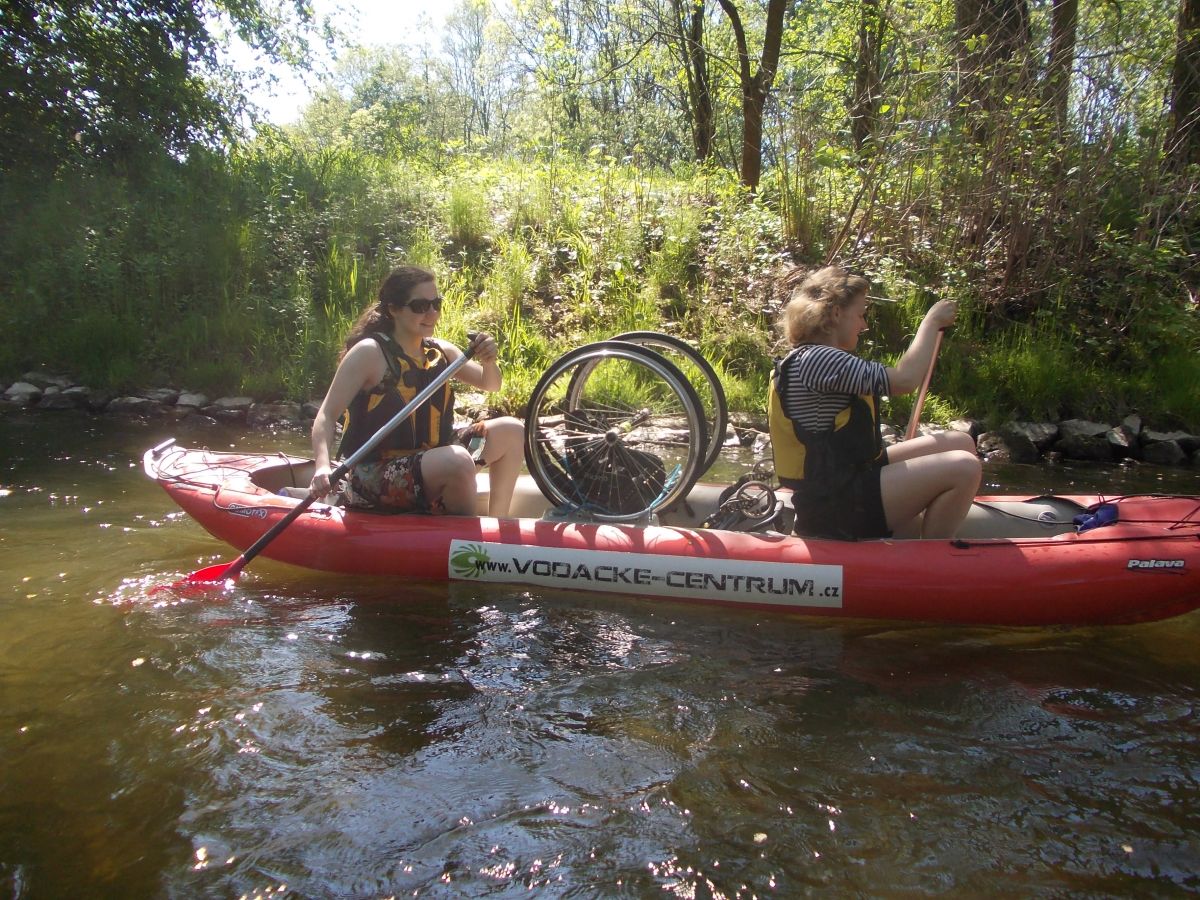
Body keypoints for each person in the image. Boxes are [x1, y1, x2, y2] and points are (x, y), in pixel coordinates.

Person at [768, 266, 982, 540]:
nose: (864, 325)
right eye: (860, 314)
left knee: (960, 442)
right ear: (835, 314)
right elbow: (905, 380)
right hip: (837, 503)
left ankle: (922, 528)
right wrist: (930, 322)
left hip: (848, 477)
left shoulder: (813, 358)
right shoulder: (820, 359)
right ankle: (933, 563)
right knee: (965, 467)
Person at [309, 265, 524, 517]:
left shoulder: (440, 351)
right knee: (457, 460)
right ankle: (466, 541)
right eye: (420, 306)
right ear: (394, 309)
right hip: (375, 474)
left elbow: (491, 384)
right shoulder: (369, 353)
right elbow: (326, 416)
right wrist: (322, 467)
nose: (431, 313)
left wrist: (489, 360)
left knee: (512, 430)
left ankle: (499, 525)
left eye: (436, 304)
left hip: (430, 460)